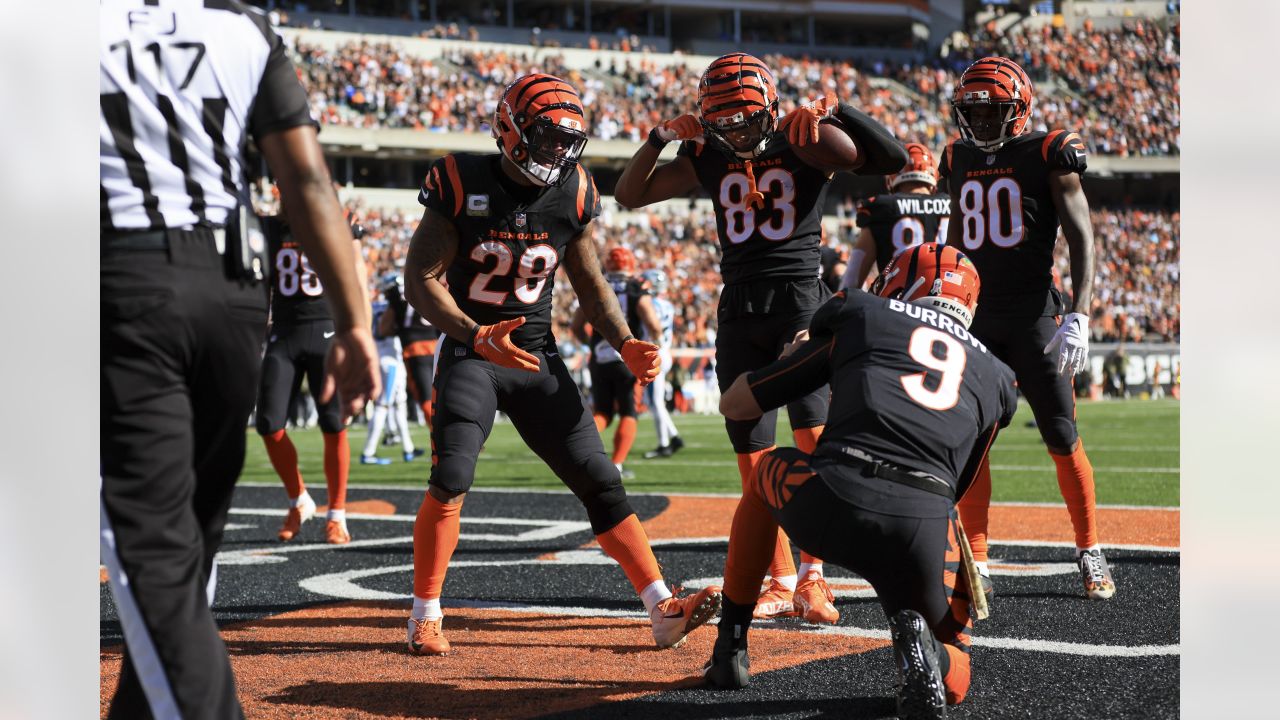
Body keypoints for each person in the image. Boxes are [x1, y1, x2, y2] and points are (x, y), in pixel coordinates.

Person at [100, 2, 380, 717]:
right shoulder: (244, 26)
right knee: (191, 539)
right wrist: (355, 321)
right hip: (232, 295)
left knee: (153, 549)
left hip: (121, 277)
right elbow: (307, 180)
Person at [401, 73, 721, 656]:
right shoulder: (461, 180)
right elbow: (418, 281)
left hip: (537, 355)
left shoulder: (573, 191)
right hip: (475, 352)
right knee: (452, 478)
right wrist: (475, 335)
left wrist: (625, 341)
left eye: (566, 142)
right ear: (511, 129)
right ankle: (425, 613)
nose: (559, 153)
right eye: (547, 138)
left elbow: (591, 284)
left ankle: (660, 609)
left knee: (600, 480)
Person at [614, 52, 908, 624]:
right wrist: (656, 138)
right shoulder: (706, 153)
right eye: (724, 119)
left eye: (746, 116)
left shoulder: (804, 138)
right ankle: (778, 577)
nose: (738, 130)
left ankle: (812, 577)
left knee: (813, 442)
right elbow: (630, 194)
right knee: (751, 455)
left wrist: (839, 110)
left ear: (771, 106)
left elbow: (889, 159)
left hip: (800, 299)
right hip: (740, 309)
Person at [706, 244, 1017, 720]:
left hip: (833, 498)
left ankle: (730, 647)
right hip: (923, 525)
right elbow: (959, 485)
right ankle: (929, 653)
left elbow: (737, 406)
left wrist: (792, 357)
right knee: (956, 671)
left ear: (899, 284)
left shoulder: (862, 312)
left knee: (764, 473)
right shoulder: (997, 377)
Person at [940, 56, 1116, 600]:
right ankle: (981, 560)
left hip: (1034, 315)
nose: (983, 122)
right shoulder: (956, 156)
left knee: (1061, 435)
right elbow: (954, 235)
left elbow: (1082, 234)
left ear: (1019, 110)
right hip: (975, 316)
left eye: (993, 111)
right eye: (974, 111)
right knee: (971, 443)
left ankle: (1089, 549)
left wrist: (1081, 313)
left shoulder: (1048, 151)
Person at [255, 204, 369, 545]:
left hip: (327, 329)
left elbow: (358, 272)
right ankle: (299, 499)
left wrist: (359, 330)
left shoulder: (339, 218)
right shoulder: (269, 227)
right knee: (268, 423)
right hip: (284, 331)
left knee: (334, 423)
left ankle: (337, 514)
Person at [571, 246, 659, 478]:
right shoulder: (636, 287)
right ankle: (617, 464)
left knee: (603, 413)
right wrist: (653, 344)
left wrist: (591, 345)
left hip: (600, 358)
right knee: (629, 412)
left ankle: (578, 450)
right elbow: (653, 323)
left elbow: (577, 325)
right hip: (627, 357)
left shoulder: (598, 284)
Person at [842, 142, 952, 290]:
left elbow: (852, 279)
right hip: (945, 299)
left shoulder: (882, 207)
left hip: (897, 303)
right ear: (933, 176)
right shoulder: (951, 205)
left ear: (893, 178)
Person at [360, 288, 425, 465]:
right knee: (383, 405)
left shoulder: (371, 307)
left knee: (399, 404)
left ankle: (408, 449)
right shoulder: (393, 308)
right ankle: (368, 452)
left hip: (384, 358)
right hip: (391, 361)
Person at [383, 269, 441, 431]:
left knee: (425, 397)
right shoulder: (425, 289)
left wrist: (397, 328)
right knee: (443, 393)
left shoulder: (397, 297)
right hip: (437, 348)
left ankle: (443, 436)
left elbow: (383, 329)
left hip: (415, 349)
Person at [640, 268, 685, 459]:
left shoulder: (650, 304)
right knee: (653, 401)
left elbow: (650, 327)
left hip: (654, 353)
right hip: (664, 351)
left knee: (655, 402)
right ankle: (674, 437)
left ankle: (664, 444)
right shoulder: (667, 305)